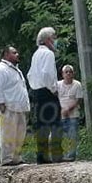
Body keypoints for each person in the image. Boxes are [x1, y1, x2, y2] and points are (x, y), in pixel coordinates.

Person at [26, 27, 64, 163]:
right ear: (48, 40)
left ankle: (42, 155)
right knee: (55, 124)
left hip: (37, 91)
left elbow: (30, 74)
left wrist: (35, 87)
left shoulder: (36, 54)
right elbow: (47, 74)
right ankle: (56, 155)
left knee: (42, 124)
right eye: (54, 38)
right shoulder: (48, 54)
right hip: (47, 91)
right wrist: (53, 89)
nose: (55, 41)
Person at [0, 45, 30, 166]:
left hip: (19, 106)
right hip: (7, 106)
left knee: (19, 133)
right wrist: (0, 103)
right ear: (6, 55)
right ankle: (7, 158)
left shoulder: (15, 69)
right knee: (8, 132)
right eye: (14, 53)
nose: (17, 55)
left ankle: (16, 157)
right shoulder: (0, 70)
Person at [57, 64, 85, 161]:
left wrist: (68, 109)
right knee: (60, 136)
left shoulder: (77, 84)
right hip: (60, 115)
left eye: (70, 72)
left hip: (73, 115)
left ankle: (71, 156)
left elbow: (78, 100)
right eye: (66, 72)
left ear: (73, 73)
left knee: (72, 136)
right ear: (62, 74)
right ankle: (60, 156)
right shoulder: (58, 85)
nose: (68, 73)